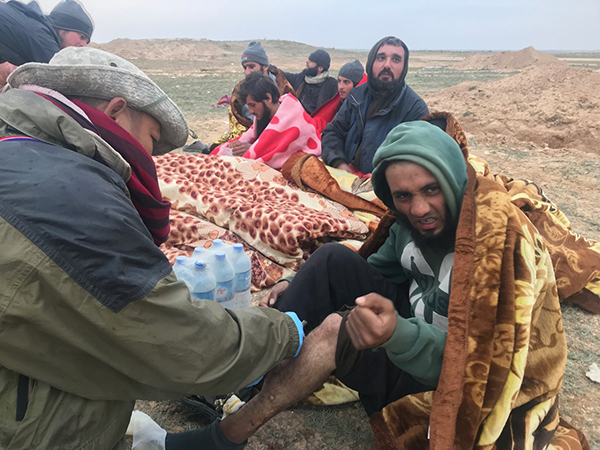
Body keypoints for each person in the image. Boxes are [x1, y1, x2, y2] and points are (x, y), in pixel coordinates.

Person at [192, 120, 584, 449]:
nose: (419, 209)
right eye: (404, 196)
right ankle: (245, 372)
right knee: (332, 259)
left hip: (456, 379)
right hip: (418, 327)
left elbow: (473, 367)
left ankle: (227, 435)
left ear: (452, 180)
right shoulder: (408, 224)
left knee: (335, 331)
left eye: (431, 189)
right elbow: (371, 268)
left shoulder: (495, 242)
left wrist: (396, 333)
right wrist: (298, 281)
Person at [0, 47, 303, 450]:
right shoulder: (75, 199)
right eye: (151, 139)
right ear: (115, 111)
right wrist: (286, 333)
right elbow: (183, 347)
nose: (149, 158)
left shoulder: (19, 151)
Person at [321, 36, 429, 175]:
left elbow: (415, 160)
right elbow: (333, 132)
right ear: (371, 62)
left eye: (396, 60)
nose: (387, 65)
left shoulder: (415, 109)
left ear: (404, 67)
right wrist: (339, 163)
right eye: (381, 58)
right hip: (345, 175)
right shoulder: (356, 96)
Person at [211, 72, 321, 169]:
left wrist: (253, 150)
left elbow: (287, 153)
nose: (250, 111)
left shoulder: (293, 116)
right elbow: (259, 141)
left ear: (268, 98)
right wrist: (237, 148)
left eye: (253, 105)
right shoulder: (264, 116)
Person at [211, 41, 295, 149]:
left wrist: (255, 147)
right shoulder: (240, 90)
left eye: (251, 66)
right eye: (245, 68)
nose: (247, 72)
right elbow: (240, 124)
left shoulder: (284, 88)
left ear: (265, 67)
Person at [0, 0, 93, 83]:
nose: (84, 45)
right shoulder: (43, 39)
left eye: (87, 42)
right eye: (82, 37)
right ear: (64, 27)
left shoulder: (33, 23)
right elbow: (64, 82)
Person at [282, 49, 338, 115]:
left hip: (318, 123)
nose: (307, 62)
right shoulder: (300, 78)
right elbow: (281, 74)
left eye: (311, 61)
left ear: (320, 68)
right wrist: (267, 66)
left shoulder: (332, 85)